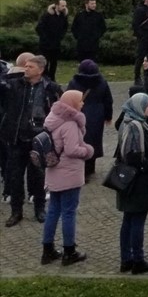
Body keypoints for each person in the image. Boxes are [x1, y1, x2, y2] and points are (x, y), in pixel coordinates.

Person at [1, 54, 61, 226]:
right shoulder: (14, 84)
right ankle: (16, 211)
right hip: (16, 137)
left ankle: (39, 208)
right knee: (15, 176)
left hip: (38, 138)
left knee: (38, 176)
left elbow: (59, 109)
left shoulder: (51, 88)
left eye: (30, 67)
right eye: (25, 66)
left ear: (41, 70)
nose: (26, 69)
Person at [113, 92, 148, 274]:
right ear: (139, 107)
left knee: (128, 220)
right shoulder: (136, 126)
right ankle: (137, 259)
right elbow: (134, 156)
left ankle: (126, 259)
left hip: (129, 181)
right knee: (136, 220)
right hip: (137, 182)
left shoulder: (129, 121)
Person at [40, 88, 93, 266]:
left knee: (53, 210)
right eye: (80, 100)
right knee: (68, 212)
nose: (82, 103)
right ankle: (69, 251)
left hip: (54, 171)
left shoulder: (52, 119)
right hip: (68, 174)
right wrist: (88, 150)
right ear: (72, 103)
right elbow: (71, 150)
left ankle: (47, 250)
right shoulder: (69, 123)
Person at [66, 59, 112, 181]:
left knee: (81, 140)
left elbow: (67, 98)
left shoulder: (74, 82)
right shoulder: (102, 82)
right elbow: (108, 100)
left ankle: (83, 170)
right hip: (97, 113)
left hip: (80, 112)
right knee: (95, 140)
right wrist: (108, 116)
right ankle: (91, 167)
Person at [35, 0, 69, 81]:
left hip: (56, 44)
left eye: (65, 6)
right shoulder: (47, 15)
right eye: (62, 5)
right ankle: (44, 78)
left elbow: (65, 28)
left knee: (54, 63)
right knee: (45, 62)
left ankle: (52, 79)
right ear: (57, 5)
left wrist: (60, 37)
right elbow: (39, 28)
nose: (64, 8)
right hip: (45, 44)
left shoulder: (63, 16)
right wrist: (45, 38)